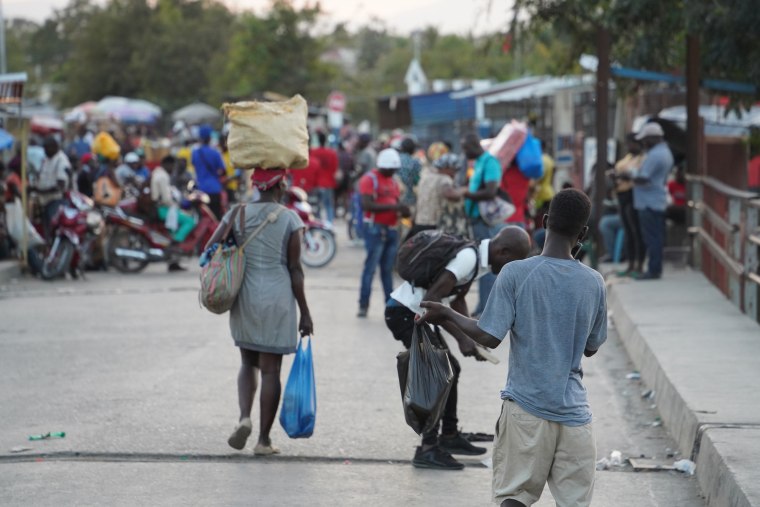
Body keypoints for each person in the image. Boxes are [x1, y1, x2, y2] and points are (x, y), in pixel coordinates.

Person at [420, 188, 607, 506]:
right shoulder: (594, 282)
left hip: (525, 410)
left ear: (545, 221)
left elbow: (489, 336)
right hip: (575, 418)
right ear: (584, 233)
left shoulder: (516, 273)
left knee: (513, 498)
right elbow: (591, 347)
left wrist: (446, 312)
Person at [386, 227, 531, 470]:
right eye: (512, 262)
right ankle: (428, 449)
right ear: (502, 251)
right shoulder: (468, 258)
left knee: (451, 369)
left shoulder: (477, 259)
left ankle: (450, 436)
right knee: (438, 374)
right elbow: (431, 302)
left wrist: (470, 337)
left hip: (414, 313)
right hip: (404, 313)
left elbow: (456, 299)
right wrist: (462, 339)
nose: (511, 269)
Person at [215, 169, 313, 455]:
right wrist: (305, 312)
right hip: (277, 298)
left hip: (244, 296)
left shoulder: (237, 213)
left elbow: (212, 247)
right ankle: (263, 441)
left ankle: (244, 417)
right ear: (282, 184)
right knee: (271, 371)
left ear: (255, 185)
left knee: (247, 363)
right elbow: (295, 270)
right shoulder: (290, 218)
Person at [357, 148, 410, 318]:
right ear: (383, 167)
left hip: (391, 229)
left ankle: (390, 307)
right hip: (375, 230)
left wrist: (403, 210)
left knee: (387, 270)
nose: (394, 172)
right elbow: (367, 205)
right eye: (392, 169)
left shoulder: (394, 182)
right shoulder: (369, 180)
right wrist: (394, 207)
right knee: (370, 269)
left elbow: (395, 202)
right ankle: (363, 305)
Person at [460, 133, 505, 316]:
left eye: (465, 149)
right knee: (482, 265)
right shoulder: (478, 163)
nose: (464, 153)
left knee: (488, 264)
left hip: (486, 221)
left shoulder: (490, 162)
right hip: (477, 220)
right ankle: (484, 306)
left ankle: (487, 309)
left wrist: (465, 193)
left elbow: (491, 191)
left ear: (473, 145)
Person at [627, 122, 673, 280]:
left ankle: (653, 270)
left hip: (649, 202)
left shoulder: (656, 155)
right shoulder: (665, 152)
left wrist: (629, 175)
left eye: (645, 139)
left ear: (653, 138)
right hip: (656, 200)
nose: (643, 143)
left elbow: (643, 178)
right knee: (656, 237)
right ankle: (655, 268)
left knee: (652, 238)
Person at [151, 155, 195, 272]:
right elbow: (166, 199)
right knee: (190, 221)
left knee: (173, 230)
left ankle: (173, 262)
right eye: (173, 165)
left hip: (162, 208)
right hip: (164, 209)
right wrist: (176, 205)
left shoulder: (158, 173)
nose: (173, 168)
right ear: (167, 164)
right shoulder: (163, 176)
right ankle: (176, 243)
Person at [411, 153, 466, 239]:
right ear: (446, 168)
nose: (454, 174)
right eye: (454, 170)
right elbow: (450, 194)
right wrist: (465, 190)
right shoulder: (444, 178)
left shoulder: (425, 176)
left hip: (419, 223)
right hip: (434, 225)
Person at [613, 134, 645, 276]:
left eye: (632, 143)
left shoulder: (643, 159)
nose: (629, 146)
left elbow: (634, 175)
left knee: (635, 230)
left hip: (633, 194)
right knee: (627, 231)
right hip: (621, 194)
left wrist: (623, 175)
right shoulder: (628, 158)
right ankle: (631, 264)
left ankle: (639, 263)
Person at [30, 137, 71, 240]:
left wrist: (40, 191)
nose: (45, 151)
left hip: (56, 201)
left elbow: (60, 186)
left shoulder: (61, 160)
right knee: (46, 230)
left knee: (53, 229)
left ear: (54, 147)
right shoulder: (47, 159)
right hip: (44, 202)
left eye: (46, 148)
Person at [192, 125, 226, 220]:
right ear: (210, 137)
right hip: (214, 189)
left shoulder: (195, 152)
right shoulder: (215, 153)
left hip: (201, 190)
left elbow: (195, 167)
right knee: (215, 218)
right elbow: (223, 171)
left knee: (203, 218)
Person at [312, 131, 339, 225]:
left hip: (316, 183)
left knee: (317, 207)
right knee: (329, 206)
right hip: (329, 183)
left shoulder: (313, 152)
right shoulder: (332, 153)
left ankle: (317, 224)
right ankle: (329, 225)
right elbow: (335, 169)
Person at [398, 137, 422, 206]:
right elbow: (417, 181)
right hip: (411, 199)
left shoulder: (395, 160)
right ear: (413, 149)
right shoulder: (415, 162)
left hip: (397, 200)